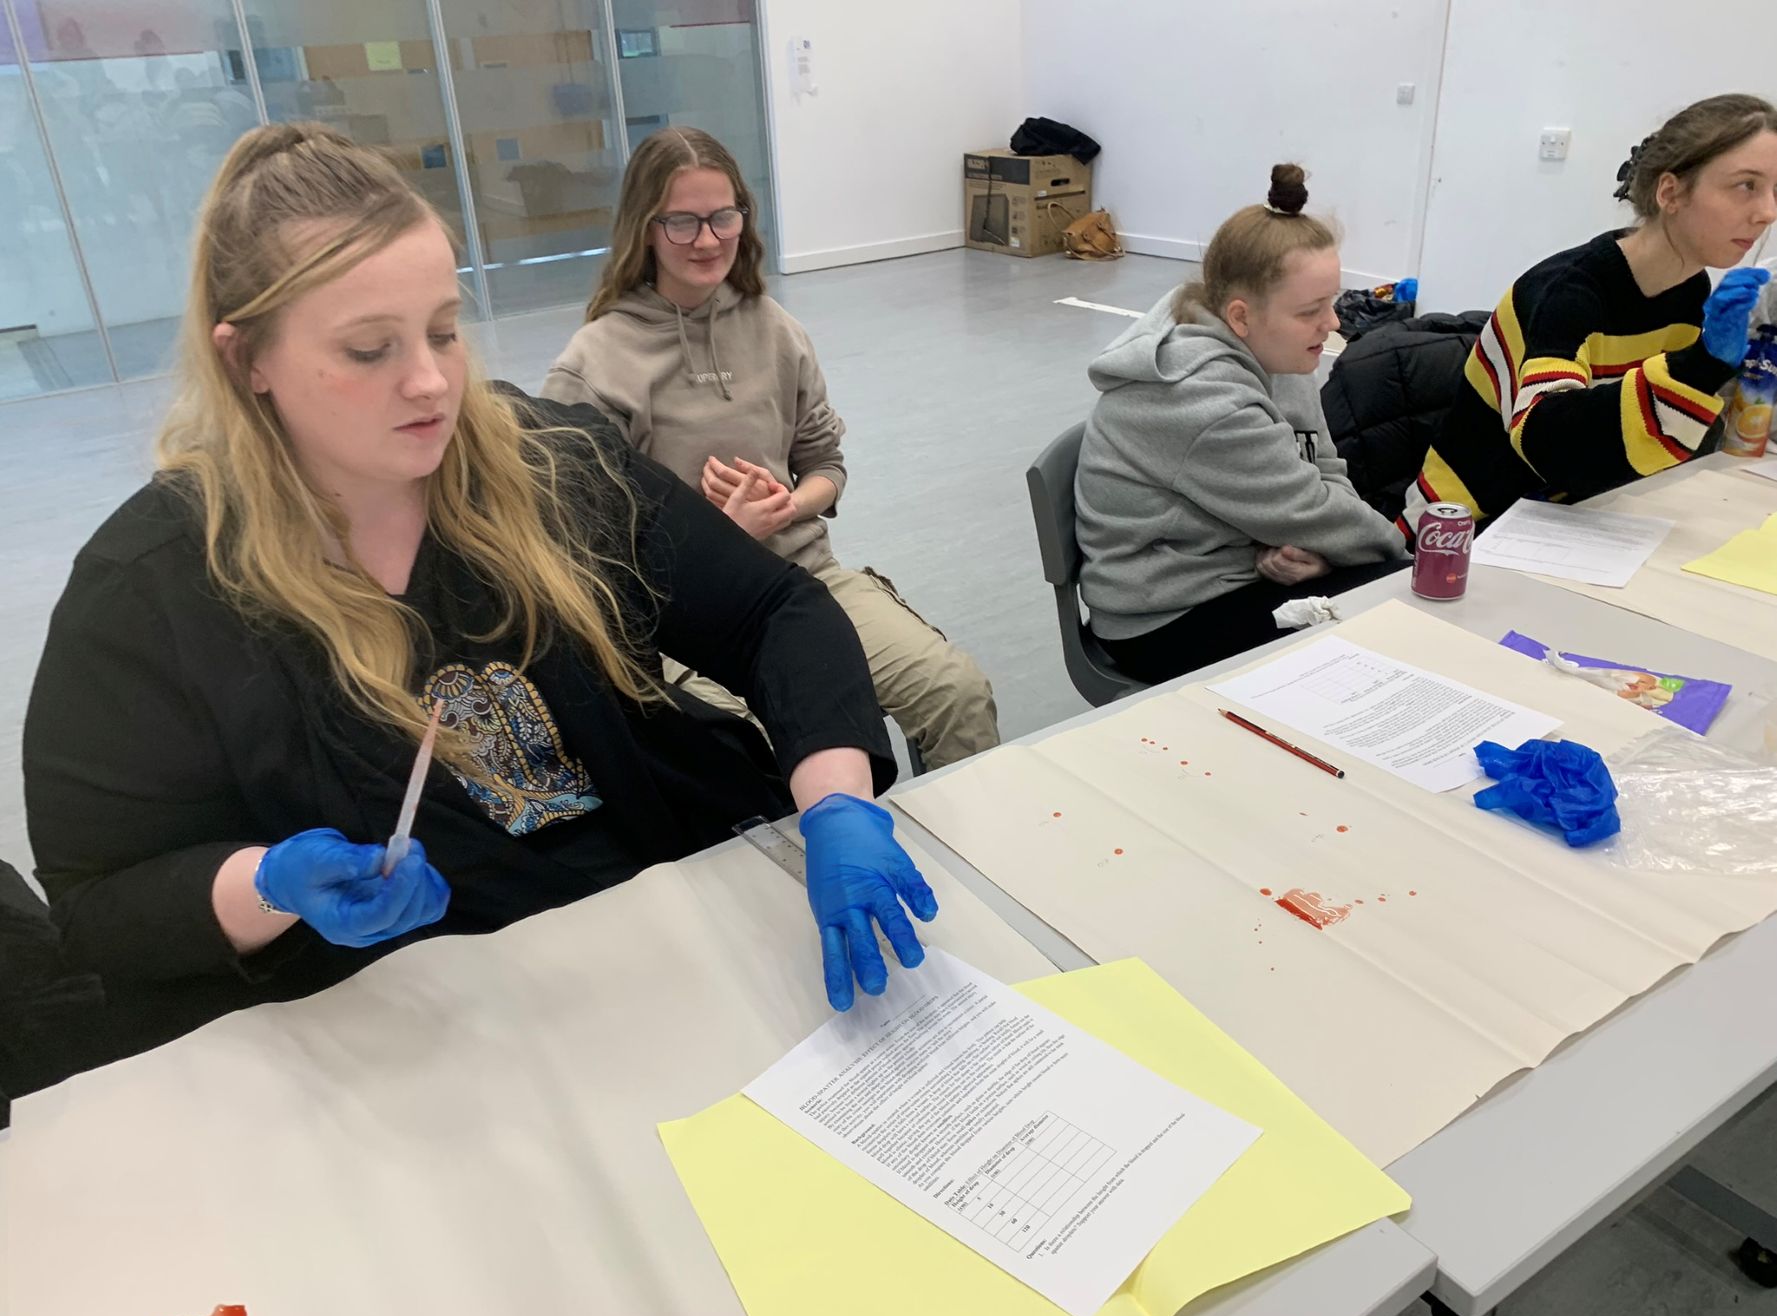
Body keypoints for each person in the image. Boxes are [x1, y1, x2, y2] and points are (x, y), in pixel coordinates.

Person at [22, 124, 940, 1061]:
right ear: (244, 361)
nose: (431, 383)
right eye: (370, 349)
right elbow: (100, 903)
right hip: (418, 1029)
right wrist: (268, 884)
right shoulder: (151, 591)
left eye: (443, 331)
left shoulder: (553, 463)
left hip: (652, 937)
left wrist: (833, 801)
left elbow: (772, 613)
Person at [541, 128, 999, 769]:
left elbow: (826, 466)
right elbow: (577, 555)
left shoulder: (775, 329)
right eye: (682, 222)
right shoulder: (594, 366)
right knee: (748, 753)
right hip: (682, 624)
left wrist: (791, 505)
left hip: (803, 582)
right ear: (645, 228)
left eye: (722, 217)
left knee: (956, 692)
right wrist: (716, 539)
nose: (707, 240)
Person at [1074, 164, 1407, 684]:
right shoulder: (1203, 401)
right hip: (1165, 617)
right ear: (1240, 315)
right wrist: (1401, 556)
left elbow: (1324, 471)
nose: (1334, 323)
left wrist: (1324, 552)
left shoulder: (1278, 350)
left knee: (1389, 596)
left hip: (1239, 569)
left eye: (1333, 303)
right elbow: (1314, 509)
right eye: (1311, 310)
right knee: (1400, 603)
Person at [1402, 94, 1777, 533]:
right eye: (1746, 186)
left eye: (1775, 190)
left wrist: (1709, 371)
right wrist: (1699, 366)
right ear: (1671, 192)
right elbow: (1546, 444)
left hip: (1584, 512)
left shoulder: (1689, 288)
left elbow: (1650, 437)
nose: (1767, 213)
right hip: (1470, 522)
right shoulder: (1571, 292)